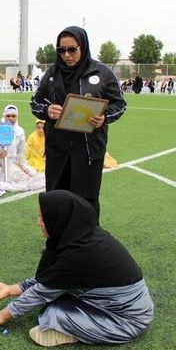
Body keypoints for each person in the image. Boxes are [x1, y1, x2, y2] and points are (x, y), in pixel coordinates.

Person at [0, 190, 153, 347]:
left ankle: (71, 332)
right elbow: (52, 278)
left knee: (53, 312)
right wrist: (10, 289)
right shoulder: (80, 237)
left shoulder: (79, 254)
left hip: (126, 320)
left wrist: (3, 315)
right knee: (54, 301)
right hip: (111, 304)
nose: (38, 222)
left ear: (59, 219)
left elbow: (42, 290)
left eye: (43, 217)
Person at [30, 26, 126, 218]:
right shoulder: (51, 74)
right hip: (58, 147)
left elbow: (120, 104)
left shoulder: (103, 73)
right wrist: (47, 111)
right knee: (56, 195)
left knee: (87, 198)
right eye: (61, 50)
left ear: (83, 47)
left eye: (72, 49)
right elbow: (35, 103)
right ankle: (56, 239)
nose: (67, 55)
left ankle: (86, 242)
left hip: (89, 149)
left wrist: (104, 118)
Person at [0, 104, 44, 191]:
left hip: (14, 162)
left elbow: (20, 151)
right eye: (8, 116)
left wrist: (21, 164)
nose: (11, 118)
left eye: (13, 116)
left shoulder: (20, 131)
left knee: (31, 176)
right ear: (4, 116)